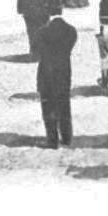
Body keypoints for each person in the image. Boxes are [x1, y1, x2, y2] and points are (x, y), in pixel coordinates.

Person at [33, 9, 77, 147]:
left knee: (48, 106)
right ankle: (67, 136)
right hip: (63, 72)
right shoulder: (71, 31)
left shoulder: (41, 32)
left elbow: (35, 51)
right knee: (64, 105)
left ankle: (52, 139)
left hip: (46, 72)